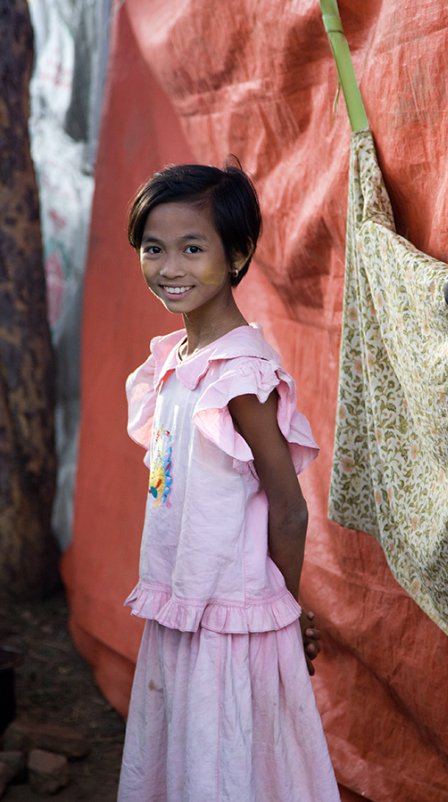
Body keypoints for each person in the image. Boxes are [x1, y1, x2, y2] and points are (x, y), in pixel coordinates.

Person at [117, 162, 340, 802]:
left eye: (193, 248)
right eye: (154, 249)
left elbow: (289, 509)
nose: (170, 267)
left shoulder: (238, 375)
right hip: (183, 599)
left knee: (226, 766)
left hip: (232, 619)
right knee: (190, 757)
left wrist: (284, 609)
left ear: (238, 254)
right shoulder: (177, 361)